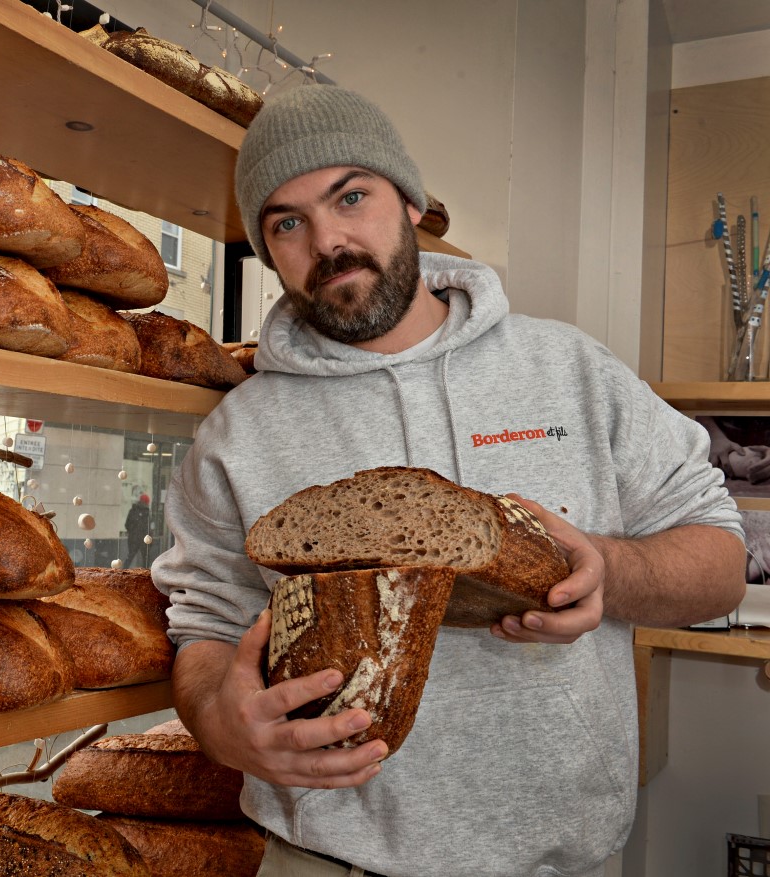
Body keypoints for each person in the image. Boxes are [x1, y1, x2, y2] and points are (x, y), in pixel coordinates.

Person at [151, 84, 746, 877]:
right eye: (286, 223)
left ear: (411, 203)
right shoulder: (238, 432)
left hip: (561, 863)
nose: (328, 240)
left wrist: (610, 571)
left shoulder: (568, 370)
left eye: (351, 196)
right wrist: (222, 723)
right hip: (324, 860)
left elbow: (722, 560)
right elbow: (204, 626)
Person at [125, 493, 151, 566]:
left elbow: (127, 524)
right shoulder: (147, 512)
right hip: (143, 539)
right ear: (146, 503)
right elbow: (148, 527)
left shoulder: (133, 510)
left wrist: (132, 532)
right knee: (146, 559)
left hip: (133, 538)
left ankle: (123, 572)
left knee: (130, 557)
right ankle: (146, 574)